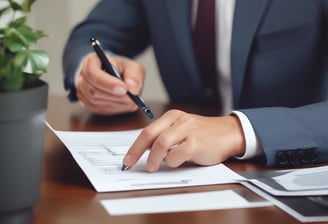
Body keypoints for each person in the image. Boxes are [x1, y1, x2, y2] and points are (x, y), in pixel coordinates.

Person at [63, 0, 328, 172]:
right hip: (184, 178)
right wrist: (91, 71)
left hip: (293, 175)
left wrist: (239, 131)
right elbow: (96, 33)